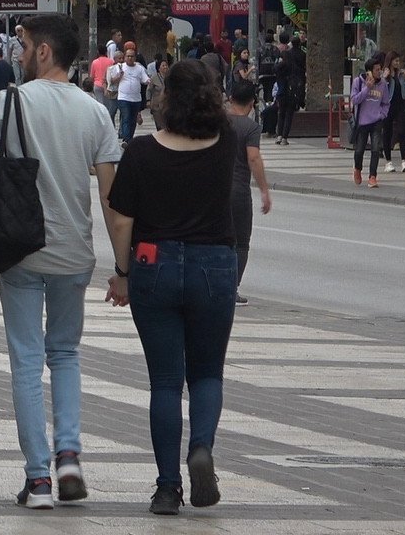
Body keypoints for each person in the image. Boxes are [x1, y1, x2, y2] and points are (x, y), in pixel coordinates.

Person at [0, 14, 122, 510]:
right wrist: (122, 269)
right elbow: (110, 198)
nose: (17, 53)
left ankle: (38, 480)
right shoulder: (96, 112)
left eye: (23, 44)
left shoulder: (8, 101)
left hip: (20, 250)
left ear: (43, 52)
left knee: (26, 359)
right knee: (66, 354)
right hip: (73, 253)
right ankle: (70, 455)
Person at [105, 57, 238, 516]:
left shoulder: (141, 152)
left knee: (164, 381)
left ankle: (166, 488)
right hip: (215, 265)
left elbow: (121, 217)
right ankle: (201, 447)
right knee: (207, 373)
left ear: (165, 98)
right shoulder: (227, 144)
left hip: (154, 263)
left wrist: (122, 273)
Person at [225, 80, 273, 305]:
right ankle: (231, 288)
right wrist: (264, 190)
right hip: (238, 192)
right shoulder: (251, 128)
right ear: (252, 103)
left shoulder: (217, 122)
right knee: (240, 242)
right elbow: (253, 158)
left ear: (230, 98)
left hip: (213, 188)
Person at [350, 55, 391, 188]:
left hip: (376, 121)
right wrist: (367, 88)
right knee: (359, 150)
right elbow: (355, 100)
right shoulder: (358, 82)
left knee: (375, 149)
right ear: (369, 71)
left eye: (380, 69)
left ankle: (373, 176)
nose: (379, 72)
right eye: (376, 70)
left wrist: (382, 114)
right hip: (362, 122)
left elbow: (386, 102)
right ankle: (357, 169)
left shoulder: (383, 84)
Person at [110, 42, 150, 144]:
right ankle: (126, 139)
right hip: (123, 97)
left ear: (135, 57)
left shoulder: (139, 68)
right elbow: (112, 80)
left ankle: (130, 138)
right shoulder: (119, 67)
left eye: (132, 56)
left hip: (136, 98)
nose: (130, 58)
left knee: (132, 120)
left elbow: (145, 79)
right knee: (126, 117)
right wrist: (119, 76)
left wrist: (149, 81)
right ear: (124, 57)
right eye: (128, 56)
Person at [380, 53, 405, 172]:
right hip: (388, 106)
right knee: (387, 133)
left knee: (402, 131)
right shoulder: (385, 74)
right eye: (395, 61)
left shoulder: (400, 74)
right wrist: (385, 77)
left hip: (400, 105)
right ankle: (388, 162)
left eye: (398, 61)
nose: (397, 63)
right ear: (390, 61)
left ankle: (404, 161)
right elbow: (381, 87)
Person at [273, 35, 306, 145]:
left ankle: (279, 135)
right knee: (289, 114)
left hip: (282, 91)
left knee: (281, 113)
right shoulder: (301, 58)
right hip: (293, 90)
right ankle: (284, 138)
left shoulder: (281, 65)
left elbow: (276, 69)